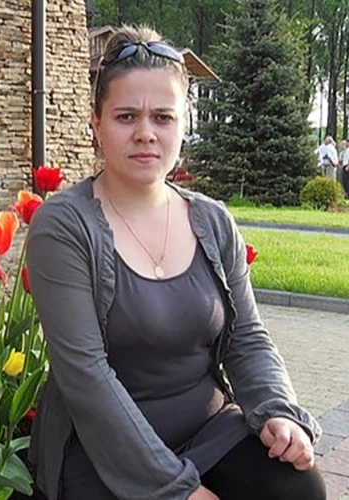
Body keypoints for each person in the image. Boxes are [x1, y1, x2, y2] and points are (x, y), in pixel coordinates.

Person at [26, 25, 325, 500]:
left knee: (296, 488)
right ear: (96, 123)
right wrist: (176, 489)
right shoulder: (64, 227)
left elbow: (247, 337)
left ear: (183, 124)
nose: (146, 133)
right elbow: (85, 376)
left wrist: (277, 410)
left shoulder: (213, 220)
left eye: (163, 117)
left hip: (208, 431)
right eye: (126, 116)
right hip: (103, 450)